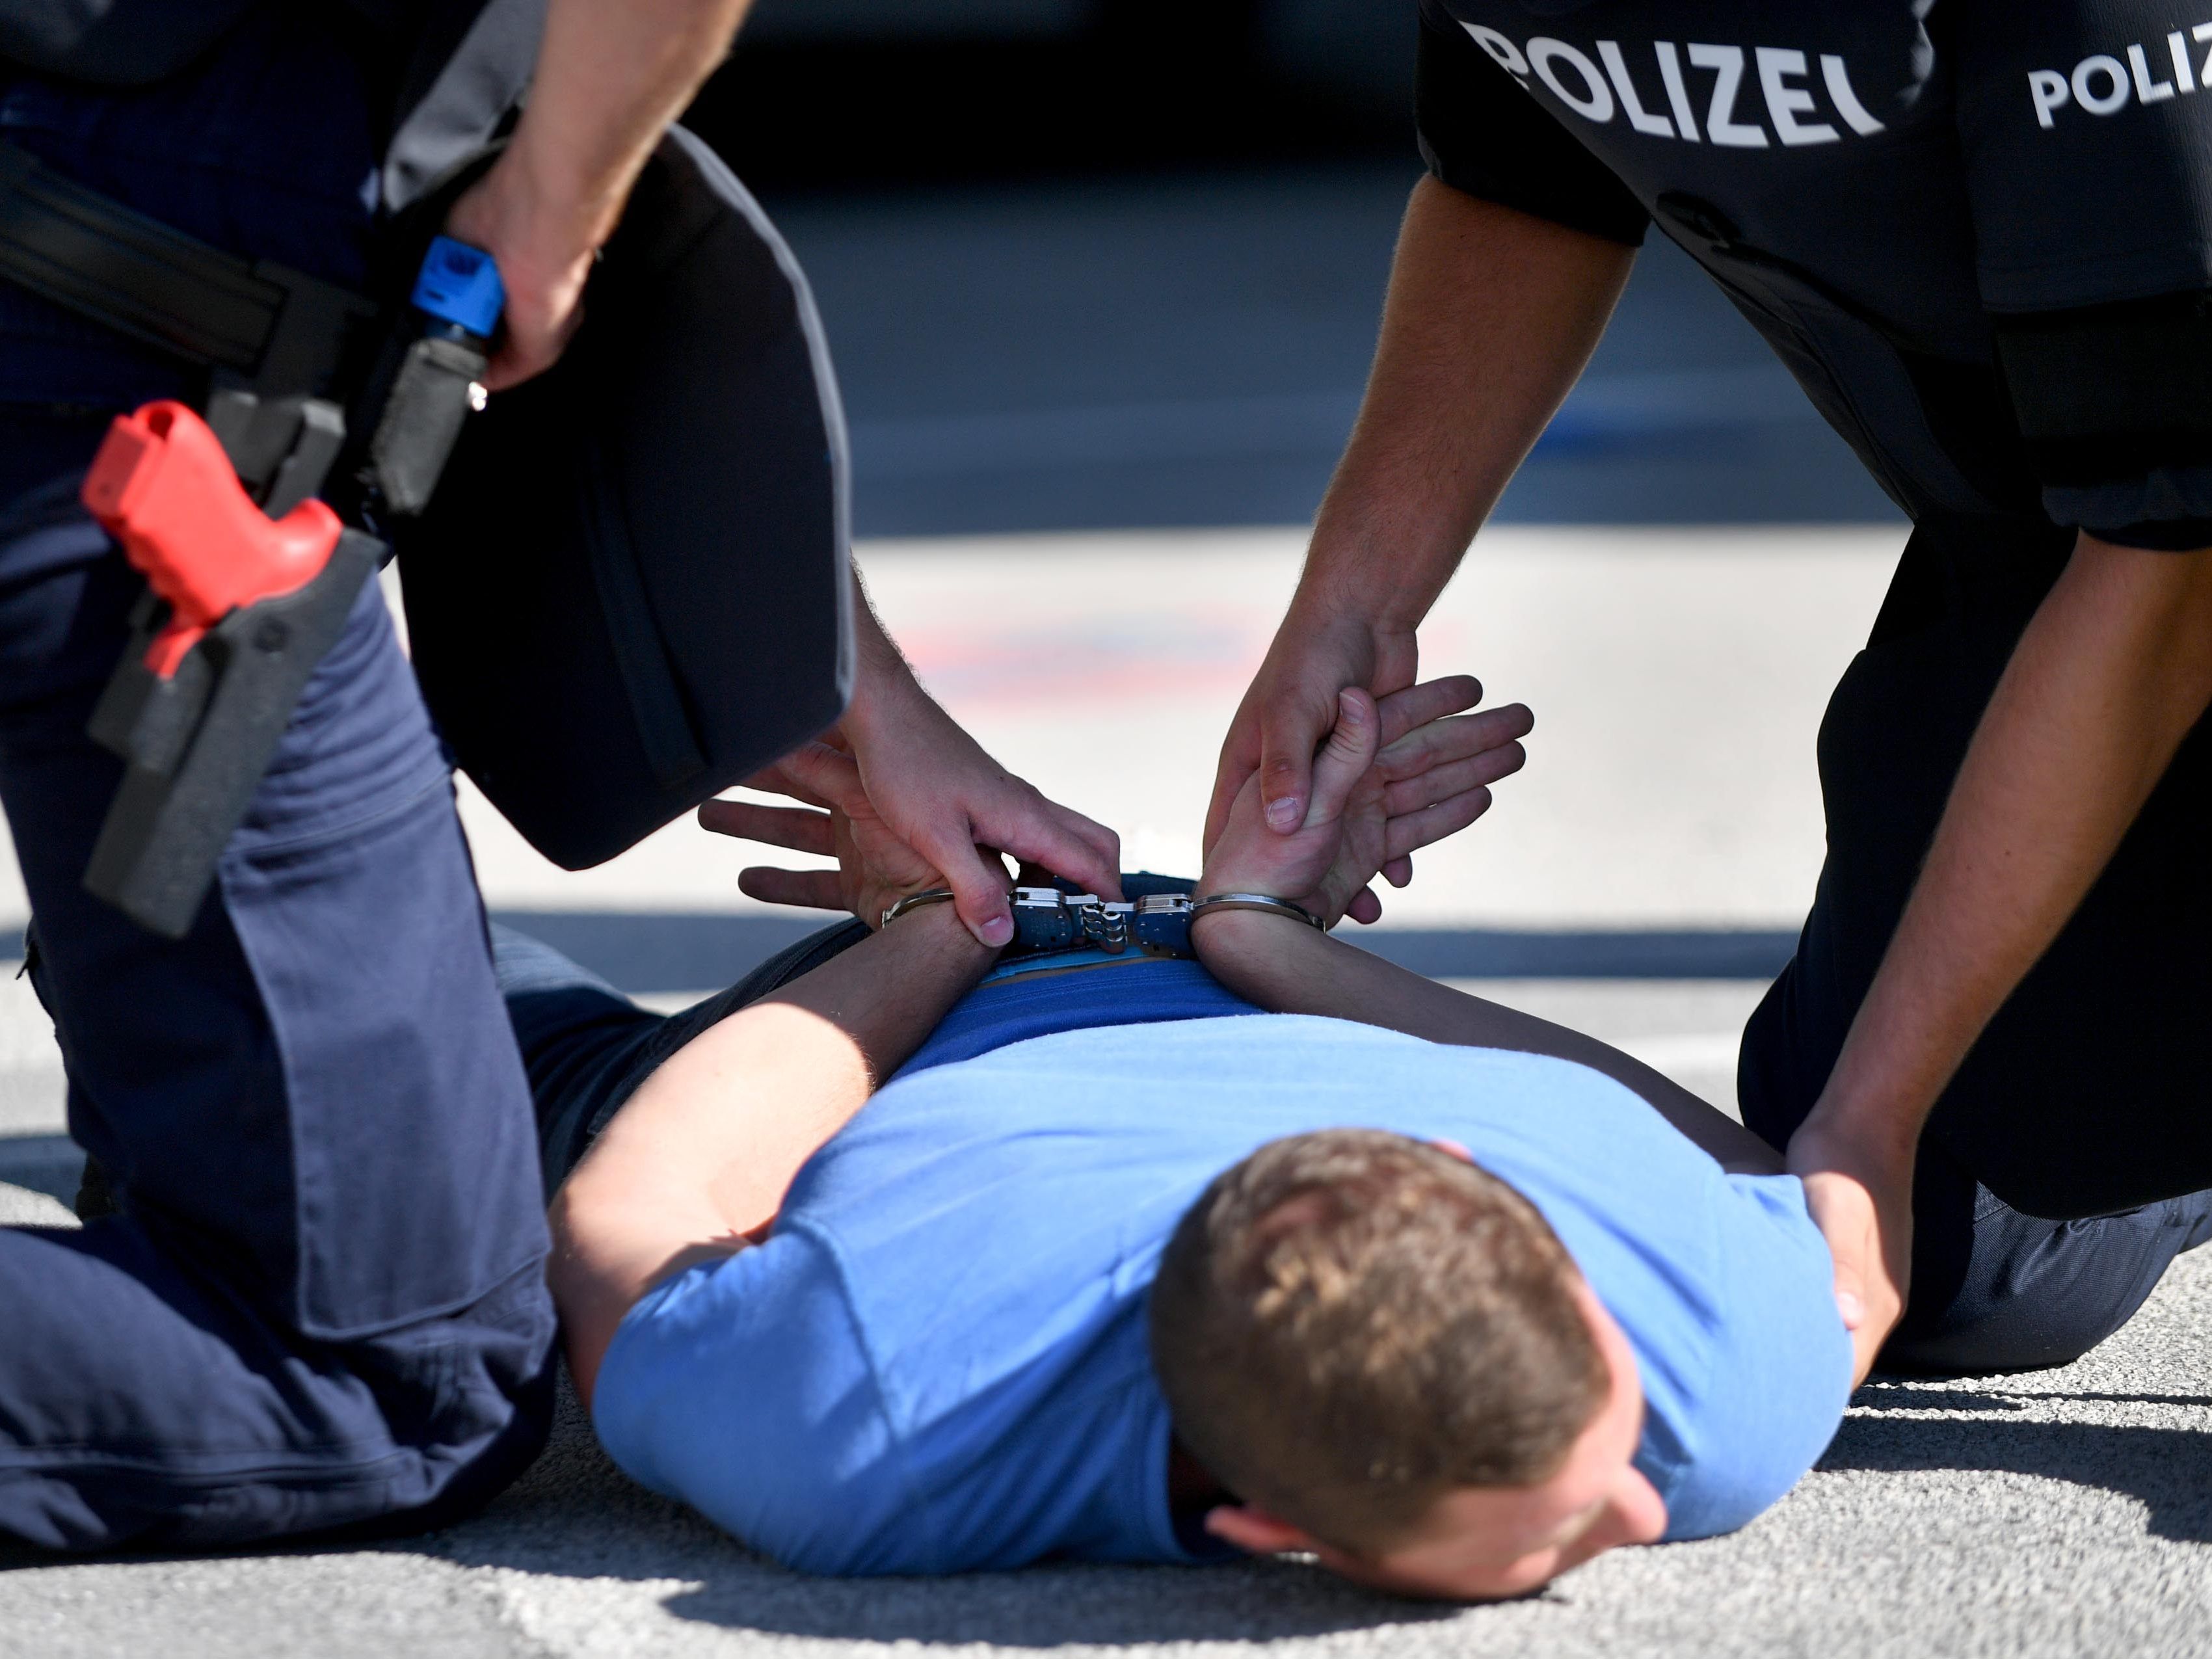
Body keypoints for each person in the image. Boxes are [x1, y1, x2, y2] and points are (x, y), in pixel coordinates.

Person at [0, 0, 1115, 1550]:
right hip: (113, 297)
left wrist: (837, 673)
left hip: (111, 256)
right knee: (385, 1362)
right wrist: (550, 212)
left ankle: (190, 1015)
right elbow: (621, 1245)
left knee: (347, 1091)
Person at [1207, 2, 2212, 1382]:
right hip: (2059, 531)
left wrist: (1877, 1105)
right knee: (1944, 1241)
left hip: (2169, 528)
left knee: (1879, 1142)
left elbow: (2174, 556)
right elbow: (1527, 175)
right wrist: (1349, 615)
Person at [507, 680, 1853, 1600]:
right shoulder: (872, 1414)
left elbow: (1726, 1168)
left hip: (1034, 989)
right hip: (901, 1032)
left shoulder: (1708, 1339)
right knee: (445, 1045)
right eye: (1557, 1532)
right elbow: (634, 1209)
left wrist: (1254, 938)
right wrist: (938, 925)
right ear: (1267, 1531)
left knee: (450, 1027)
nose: (1638, 1510)